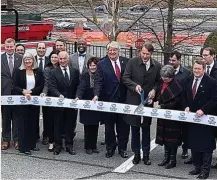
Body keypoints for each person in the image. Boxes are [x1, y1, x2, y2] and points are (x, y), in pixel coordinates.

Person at [123, 43, 161, 165]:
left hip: (148, 103)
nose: (144, 56)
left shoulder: (157, 66)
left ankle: (146, 154)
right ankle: (136, 154)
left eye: (147, 54)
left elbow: (158, 82)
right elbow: (125, 78)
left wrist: (154, 90)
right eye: (143, 53)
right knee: (134, 129)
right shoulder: (132, 62)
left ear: (151, 54)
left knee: (146, 128)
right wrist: (135, 86)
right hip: (134, 100)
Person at [93, 41, 130, 158]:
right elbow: (98, 81)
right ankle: (110, 148)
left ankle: (122, 148)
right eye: (110, 50)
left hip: (124, 100)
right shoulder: (102, 64)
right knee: (109, 127)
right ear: (107, 51)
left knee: (123, 127)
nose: (112, 52)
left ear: (118, 51)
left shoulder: (126, 62)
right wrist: (96, 95)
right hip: (108, 100)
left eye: (115, 50)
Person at [183, 59, 217, 179]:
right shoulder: (188, 80)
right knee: (194, 143)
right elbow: (184, 95)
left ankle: (205, 170)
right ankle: (197, 167)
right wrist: (186, 106)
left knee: (206, 145)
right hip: (192, 118)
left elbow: (214, 100)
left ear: (203, 69)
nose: (196, 71)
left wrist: (203, 110)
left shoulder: (212, 82)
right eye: (195, 68)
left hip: (205, 118)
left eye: (199, 69)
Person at [12, 52, 44, 155]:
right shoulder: (18, 71)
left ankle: (32, 145)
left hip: (34, 101)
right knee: (23, 124)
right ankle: (24, 147)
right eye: (26, 59)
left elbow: (40, 85)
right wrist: (23, 91)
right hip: (22, 102)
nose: (27, 61)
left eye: (29, 59)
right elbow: (14, 86)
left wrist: (31, 92)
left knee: (33, 123)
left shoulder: (38, 71)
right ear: (23, 61)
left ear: (33, 60)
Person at [49, 51, 79, 155]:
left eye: (64, 58)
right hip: (59, 104)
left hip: (71, 104)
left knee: (70, 125)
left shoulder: (75, 71)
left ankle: (69, 145)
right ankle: (58, 146)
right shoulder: (53, 72)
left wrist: (77, 98)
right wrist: (58, 95)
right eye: (60, 59)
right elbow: (51, 87)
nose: (62, 61)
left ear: (68, 59)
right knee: (58, 125)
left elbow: (77, 86)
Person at [154, 65, 183, 169]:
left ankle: (172, 160)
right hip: (162, 115)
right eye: (162, 77)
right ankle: (166, 158)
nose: (164, 79)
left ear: (171, 77)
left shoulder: (177, 85)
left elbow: (176, 102)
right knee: (165, 138)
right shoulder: (162, 83)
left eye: (166, 78)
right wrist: (155, 101)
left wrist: (162, 106)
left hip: (173, 116)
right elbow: (159, 94)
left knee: (172, 140)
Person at [168, 51, 191, 160]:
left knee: (184, 129)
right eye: (170, 60)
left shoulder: (186, 73)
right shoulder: (167, 70)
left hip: (182, 105)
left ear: (179, 60)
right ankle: (171, 151)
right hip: (171, 105)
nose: (171, 62)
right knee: (172, 130)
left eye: (174, 60)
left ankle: (185, 149)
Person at [76, 57, 101, 154]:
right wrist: (78, 96)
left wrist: (96, 96)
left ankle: (94, 146)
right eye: (91, 65)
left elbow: (99, 87)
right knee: (87, 126)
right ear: (88, 66)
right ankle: (88, 146)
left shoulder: (99, 75)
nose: (93, 67)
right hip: (86, 102)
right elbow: (81, 87)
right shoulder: (84, 76)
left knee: (95, 126)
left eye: (94, 65)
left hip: (96, 102)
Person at [1, 38, 22, 150]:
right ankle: (6, 139)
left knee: (17, 117)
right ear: (4, 47)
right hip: (4, 93)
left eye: (11, 46)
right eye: (7, 46)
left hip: (17, 93)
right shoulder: (0, 58)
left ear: (14, 46)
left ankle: (17, 139)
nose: (9, 48)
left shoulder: (20, 58)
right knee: (6, 117)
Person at [40, 50, 60, 151]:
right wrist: (44, 93)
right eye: (52, 57)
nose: (54, 59)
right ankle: (51, 142)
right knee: (50, 122)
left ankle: (59, 141)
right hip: (50, 98)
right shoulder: (47, 69)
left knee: (59, 121)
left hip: (60, 98)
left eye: (56, 57)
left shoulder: (62, 68)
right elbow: (46, 83)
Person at [202, 47, 217, 169]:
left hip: (215, 106)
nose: (204, 57)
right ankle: (198, 156)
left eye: (206, 55)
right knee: (203, 132)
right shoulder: (200, 67)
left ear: (213, 56)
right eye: (203, 55)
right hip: (202, 106)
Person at [35, 42, 51, 144]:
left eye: (43, 48)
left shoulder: (49, 61)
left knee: (47, 115)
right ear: (36, 49)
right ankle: (35, 135)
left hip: (47, 91)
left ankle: (46, 135)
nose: (41, 50)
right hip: (34, 91)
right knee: (34, 114)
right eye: (39, 48)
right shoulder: (32, 60)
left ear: (45, 50)